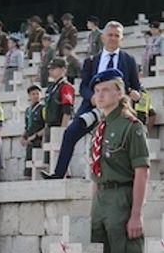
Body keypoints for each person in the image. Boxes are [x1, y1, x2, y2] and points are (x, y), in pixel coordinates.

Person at [87, 69, 149, 253]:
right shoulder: (100, 127)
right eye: (97, 91)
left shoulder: (130, 126)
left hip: (122, 198)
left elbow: (142, 170)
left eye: (105, 90)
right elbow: (96, 172)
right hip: (101, 199)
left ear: (119, 92)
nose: (100, 95)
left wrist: (136, 214)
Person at [46, 20, 142, 178]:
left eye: (116, 36)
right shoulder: (92, 61)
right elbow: (83, 87)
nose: (112, 38)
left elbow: (136, 86)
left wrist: (135, 94)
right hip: (93, 107)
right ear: (103, 37)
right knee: (70, 133)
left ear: (121, 39)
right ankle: (58, 174)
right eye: (110, 35)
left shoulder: (128, 60)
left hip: (118, 108)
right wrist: (92, 98)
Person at [22, 85, 47, 176]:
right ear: (29, 96)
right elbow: (27, 126)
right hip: (30, 142)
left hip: (39, 141)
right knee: (28, 167)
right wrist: (23, 137)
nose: (35, 96)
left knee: (38, 166)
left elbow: (46, 126)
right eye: (33, 94)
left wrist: (35, 136)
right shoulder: (28, 111)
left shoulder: (43, 109)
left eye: (37, 93)